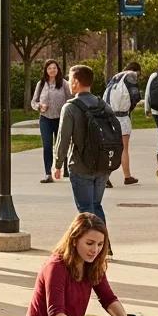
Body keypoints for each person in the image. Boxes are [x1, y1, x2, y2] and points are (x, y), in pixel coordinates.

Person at [22, 213, 141, 316]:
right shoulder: (56, 266)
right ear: (74, 240)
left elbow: (108, 299)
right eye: (89, 243)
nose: (95, 250)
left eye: (100, 244)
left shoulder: (93, 264)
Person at [53, 64, 114, 221]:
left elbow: (63, 138)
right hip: (102, 164)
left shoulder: (70, 108)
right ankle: (103, 237)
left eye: (70, 78)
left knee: (86, 210)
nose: (68, 82)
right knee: (96, 206)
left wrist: (57, 164)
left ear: (75, 82)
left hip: (80, 164)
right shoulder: (103, 105)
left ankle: (92, 237)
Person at [31, 59, 71, 184]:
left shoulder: (64, 83)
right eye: (49, 68)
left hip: (61, 119)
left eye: (54, 68)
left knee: (62, 145)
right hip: (45, 119)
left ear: (58, 70)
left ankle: (66, 169)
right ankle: (48, 173)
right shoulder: (41, 84)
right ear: (46, 71)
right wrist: (40, 106)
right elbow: (33, 102)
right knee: (47, 146)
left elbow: (71, 99)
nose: (52, 70)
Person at [102, 61, 141, 187]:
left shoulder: (115, 77)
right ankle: (127, 176)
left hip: (108, 116)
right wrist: (131, 107)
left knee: (110, 148)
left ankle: (104, 176)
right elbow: (135, 96)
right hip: (122, 116)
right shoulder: (131, 76)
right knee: (124, 148)